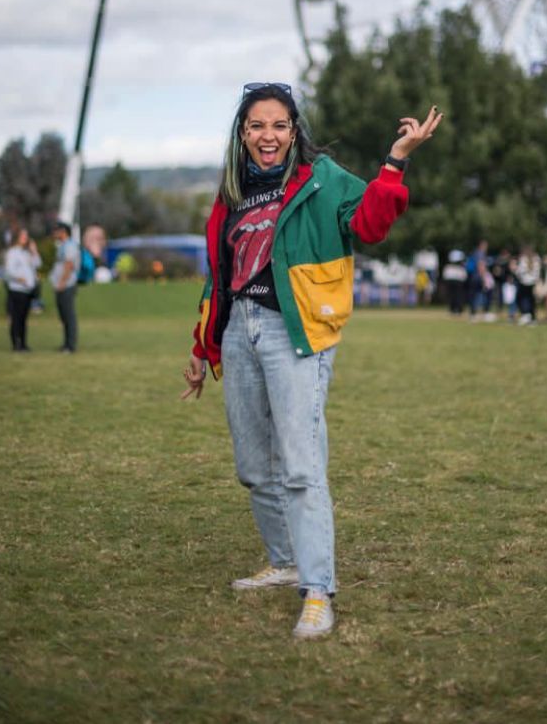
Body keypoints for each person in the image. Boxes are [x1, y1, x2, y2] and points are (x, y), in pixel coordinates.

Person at [181, 82, 442, 640]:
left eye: (278, 125)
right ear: (243, 134)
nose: (267, 136)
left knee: (301, 468)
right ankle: (285, 561)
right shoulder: (232, 193)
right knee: (254, 467)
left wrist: (395, 162)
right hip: (238, 333)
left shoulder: (321, 179)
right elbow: (220, 275)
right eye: (256, 126)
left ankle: (318, 590)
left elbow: (369, 224)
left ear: (293, 130)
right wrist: (203, 347)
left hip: (293, 331)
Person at [4, 228, 41, 351]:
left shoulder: (27, 253)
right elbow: (9, 271)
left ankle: (24, 342)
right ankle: (16, 343)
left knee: (24, 318)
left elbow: (38, 264)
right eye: (23, 236)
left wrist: (34, 251)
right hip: (17, 289)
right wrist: (20, 279)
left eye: (26, 236)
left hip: (27, 290)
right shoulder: (13, 252)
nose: (25, 238)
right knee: (16, 317)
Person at [51, 221, 80, 352]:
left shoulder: (70, 246)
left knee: (69, 315)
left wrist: (62, 282)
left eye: (57, 230)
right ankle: (66, 344)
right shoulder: (63, 246)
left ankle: (70, 345)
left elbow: (69, 265)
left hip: (66, 285)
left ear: (63, 232)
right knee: (64, 315)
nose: (54, 233)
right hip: (61, 285)